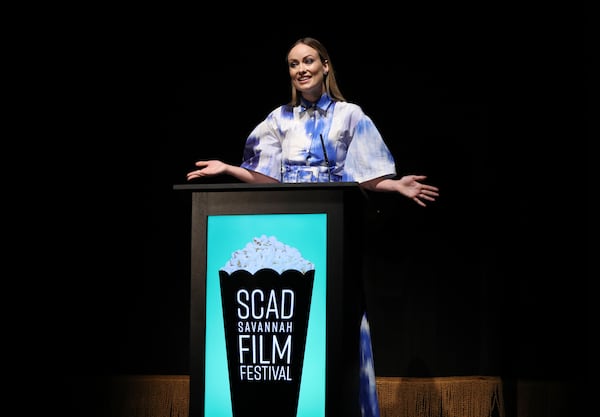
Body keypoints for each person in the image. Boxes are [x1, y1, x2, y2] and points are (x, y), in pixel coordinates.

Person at [186, 37, 440, 417]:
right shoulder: (279, 119)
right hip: (293, 225)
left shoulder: (349, 114)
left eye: (308, 61)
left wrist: (395, 184)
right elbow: (267, 177)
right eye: (293, 64)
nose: (301, 69)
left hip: (335, 226)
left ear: (324, 66)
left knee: (332, 316)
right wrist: (228, 169)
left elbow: (364, 174)